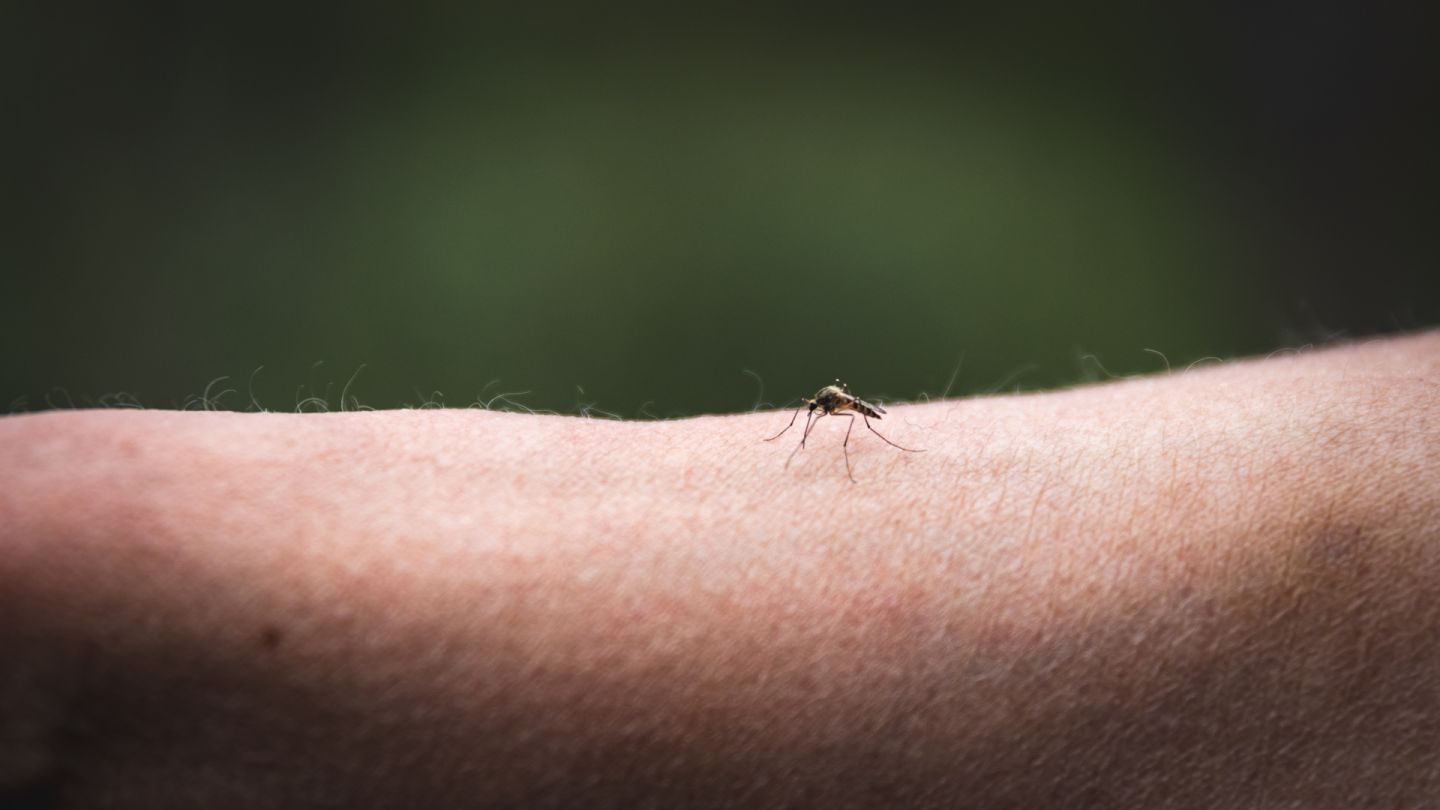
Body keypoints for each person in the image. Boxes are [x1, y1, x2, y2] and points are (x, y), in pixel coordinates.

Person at [2, 332, 1437, 807]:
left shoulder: (847, 419)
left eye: (841, 417)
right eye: (841, 418)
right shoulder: (820, 415)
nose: (840, 425)